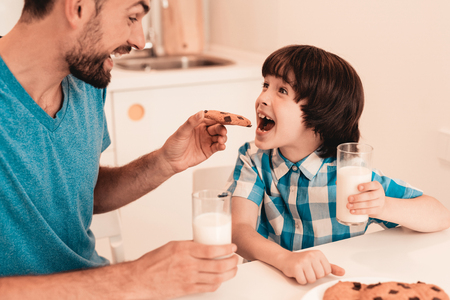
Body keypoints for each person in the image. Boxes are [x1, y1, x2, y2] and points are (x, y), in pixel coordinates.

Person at [0, 0, 239, 299]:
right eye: (132, 17)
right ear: (77, 8)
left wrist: (164, 162)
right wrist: (132, 278)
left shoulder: (86, 84)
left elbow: (82, 194)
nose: (139, 40)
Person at [227, 45, 450, 285]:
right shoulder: (253, 159)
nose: (262, 98)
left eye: (282, 90)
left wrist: (382, 206)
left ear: (319, 116)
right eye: (265, 85)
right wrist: (286, 259)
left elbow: (439, 216)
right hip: (267, 284)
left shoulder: (349, 172)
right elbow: (239, 230)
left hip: (331, 285)